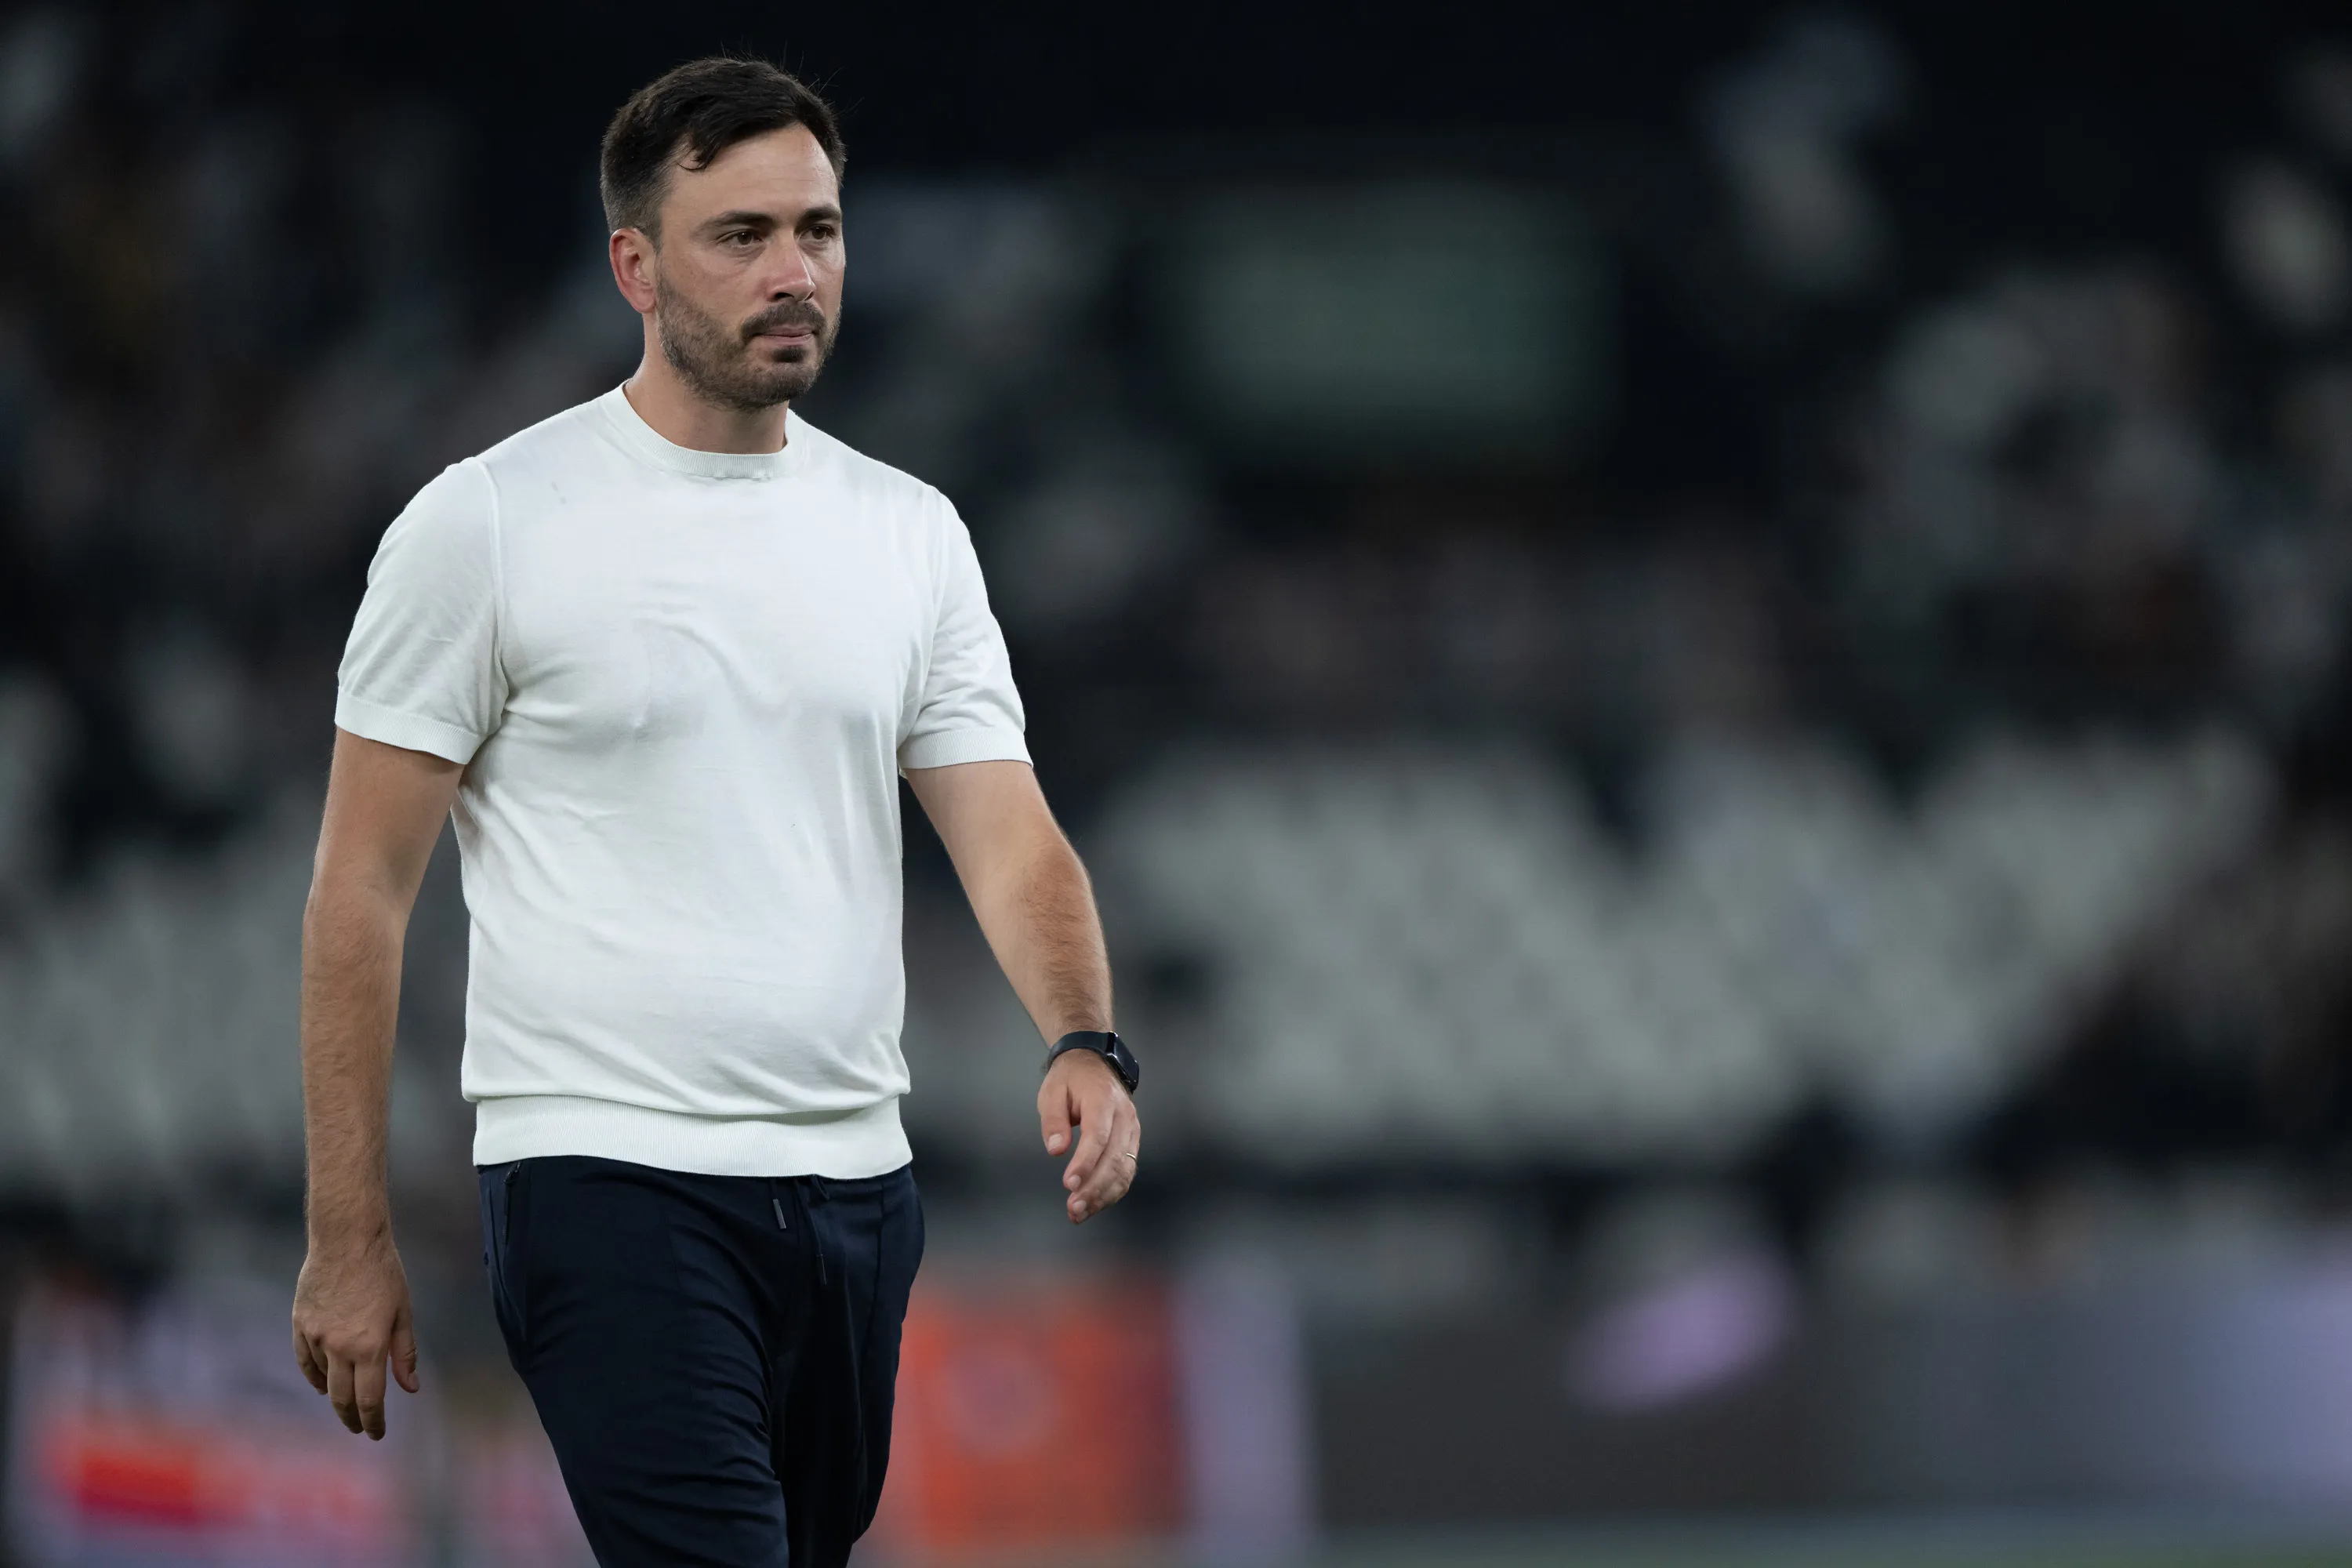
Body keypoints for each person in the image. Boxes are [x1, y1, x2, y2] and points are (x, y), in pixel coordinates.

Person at [288, 55, 1142, 1566]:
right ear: (634, 265)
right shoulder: (485, 523)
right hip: (604, 1181)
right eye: (738, 235)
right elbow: (361, 886)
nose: (792, 270)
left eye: (815, 230)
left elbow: (1006, 832)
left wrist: (1081, 1034)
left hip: (856, 1191)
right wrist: (345, 1231)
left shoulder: (908, 533)